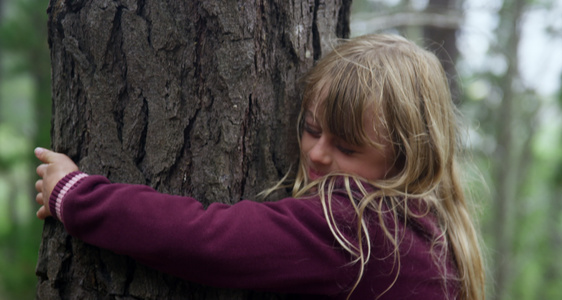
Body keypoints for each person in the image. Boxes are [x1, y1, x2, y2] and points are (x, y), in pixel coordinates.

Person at [35, 34, 485, 300]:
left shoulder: (363, 230)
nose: (317, 154)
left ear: (406, 156)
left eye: (346, 147)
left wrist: (75, 196)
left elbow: (208, 239)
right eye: (311, 128)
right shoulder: (427, 228)